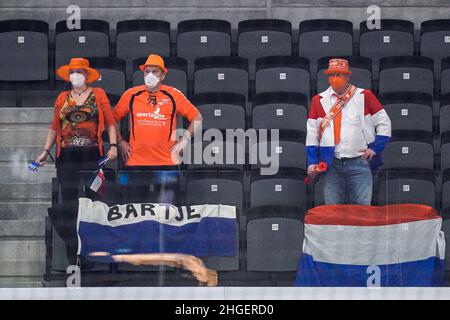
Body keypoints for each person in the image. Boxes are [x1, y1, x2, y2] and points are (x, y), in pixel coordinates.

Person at [35, 57, 117, 264]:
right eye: (72, 71)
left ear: (86, 75)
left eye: (79, 71)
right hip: (67, 157)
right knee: (69, 203)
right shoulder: (62, 97)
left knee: (93, 201)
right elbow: (55, 127)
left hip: (92, 155)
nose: (75, 75)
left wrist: (114, 146)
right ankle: (73, 255)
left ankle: (95, 254)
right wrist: (45, 150)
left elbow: (110, 123)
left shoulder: (98, 94)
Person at [113, 54, 203, 204]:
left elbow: (197, 118)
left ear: (162, 75)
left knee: (166, 211)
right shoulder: (131, 94)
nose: (150, 75)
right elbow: (112, 119)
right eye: (146, 71)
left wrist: (184, 141)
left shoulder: (174, 95)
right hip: (136, 162)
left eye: (154, 72)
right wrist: (121, 141)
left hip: (166, 163)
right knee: (136, 212)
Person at [306, 58, 391, 205]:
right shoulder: (318, 100)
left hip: (359, 162)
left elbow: (384, 123)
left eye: (339, 75)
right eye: (332, 75)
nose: (335, 78)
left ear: (347, 76)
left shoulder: (365, 96)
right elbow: (312, 133)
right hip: (331, 164)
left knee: (362, 211)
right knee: (333, 211)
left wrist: (375, 148)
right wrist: (312, 162)